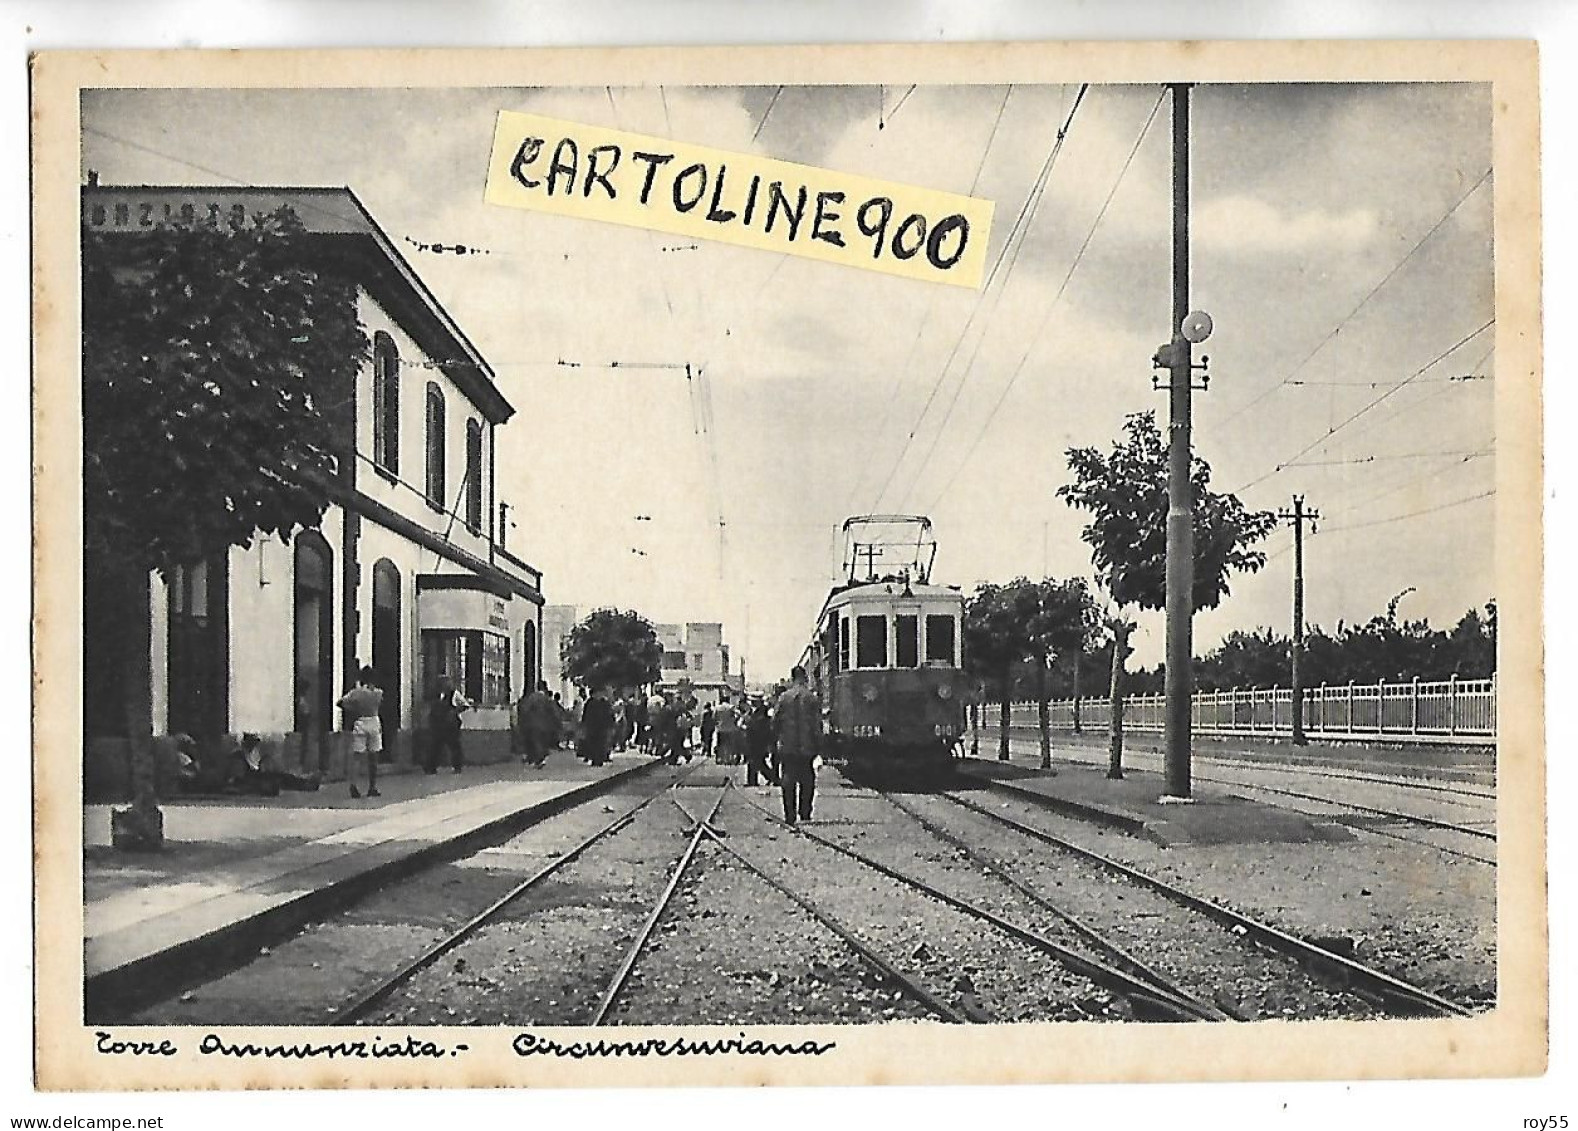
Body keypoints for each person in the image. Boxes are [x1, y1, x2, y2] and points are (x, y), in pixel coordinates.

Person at [773, 666, 822, 825]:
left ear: (792, 678)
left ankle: (790, 815)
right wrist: (819, 746)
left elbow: (775, 721)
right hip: (807, 747)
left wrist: (777, 739)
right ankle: (805, 812)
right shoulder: (812, 698)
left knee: (788, 780)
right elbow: (817, 725)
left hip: (788, 746)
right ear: (805, 677)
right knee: (807, 779)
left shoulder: (783, 698)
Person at [338, 667, 385, 798]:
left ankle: (353, 785)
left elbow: (340, 703)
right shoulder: (378, 693)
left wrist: (353, 709)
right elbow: (379, 703)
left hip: (361, 721)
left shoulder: (356, 693)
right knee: (374, 757)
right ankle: (372, 787)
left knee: (357, 757)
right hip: (374, 722)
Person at [425, 675, 470, 774]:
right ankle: (431, 768)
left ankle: (457, 767)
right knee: (435, 746)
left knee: (454, 746)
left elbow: (465, 705)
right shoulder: (436, 694)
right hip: (438, 724)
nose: (445, 685)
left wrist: (454, 711)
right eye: (443, 683)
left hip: (451, 725)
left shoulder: (455, 694)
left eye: (447, 683)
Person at [518, 681, 559, 768]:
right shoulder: (547, 699)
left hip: (533, 724)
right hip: (546, 725)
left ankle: (538, 759)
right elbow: (554, 712)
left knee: (536, 742)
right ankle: (540, 759)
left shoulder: (532, 698)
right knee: (543, 742)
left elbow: (525, 710)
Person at [744, 698, 778, 788]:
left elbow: (755, 728)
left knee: (757, 763)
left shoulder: (761, 718)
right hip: (757, 742)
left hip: (757, 742)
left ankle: (772, 779)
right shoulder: (760, 716)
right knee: (757, 762)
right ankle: (754, 780)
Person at [579, 686, 616, 766]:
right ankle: (596, 759)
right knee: (595, 743)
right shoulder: (591, 703)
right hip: (594, 727)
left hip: (600, 727)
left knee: (600, 743)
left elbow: (609, 715)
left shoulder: (603, 703)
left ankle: (599, 759)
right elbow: (586, 716)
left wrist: (610, 725)